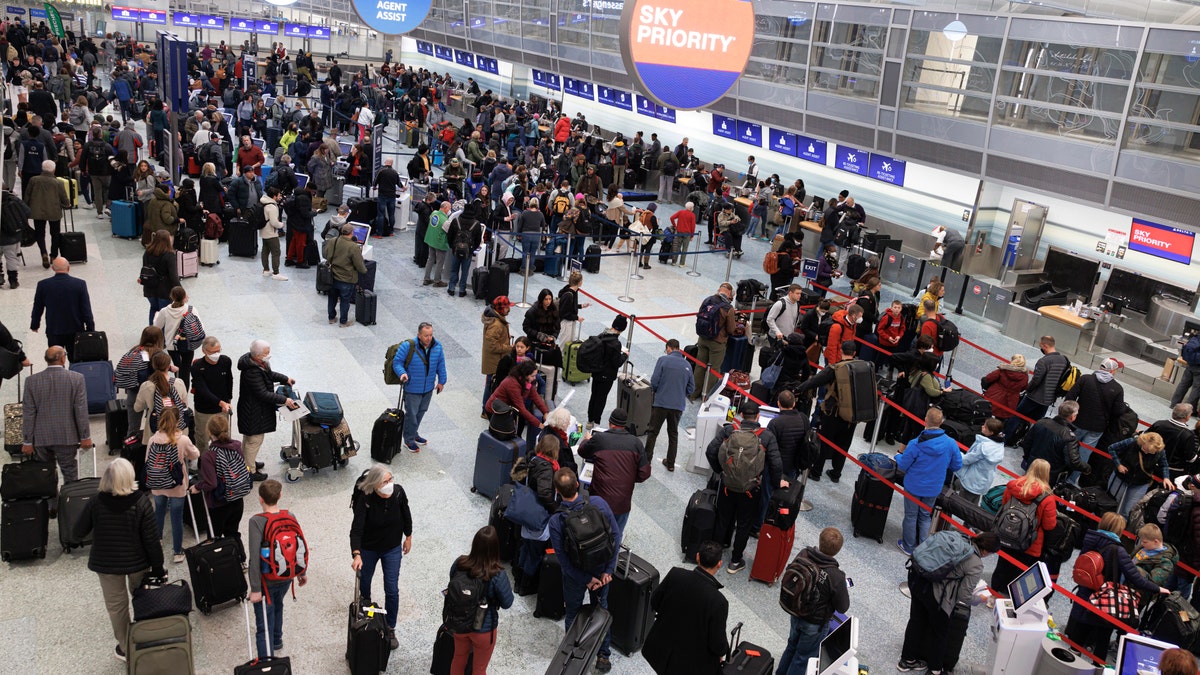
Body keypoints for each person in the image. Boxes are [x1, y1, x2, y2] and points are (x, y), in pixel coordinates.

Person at [76, 457, 165, 663]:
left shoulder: (96, 501)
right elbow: (151, 540)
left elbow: (77, 532)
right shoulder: (142, 501)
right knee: (142, 599)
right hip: (138, 562)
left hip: (106, 565)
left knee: (117, 607)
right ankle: (144, 636)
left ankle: (126, 648)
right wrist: (158, 567)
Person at [1064, 512, 1169, 662]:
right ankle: (1098, 668)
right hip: (1105, 598)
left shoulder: (1090, 539)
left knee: (1080, 631)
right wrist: (1158, 589)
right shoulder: (1118, 550)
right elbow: (1136, 578)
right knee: (1103, 638)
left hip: (1085, 591)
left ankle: (1069, 662)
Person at [548, 468, 621, 674]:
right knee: (601, 609)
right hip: (602, 572)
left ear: (557, 490)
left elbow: (563, 559)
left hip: (576, 575)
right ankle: (603, 657)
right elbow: (615, 536)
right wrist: (607, 570)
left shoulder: (557, 521)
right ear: (577, 484)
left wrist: (586, 579)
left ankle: (573, 658)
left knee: (573, 613)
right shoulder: (598, 504)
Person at [898, 532, 1000, 675]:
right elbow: (964, 595)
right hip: (936, 594)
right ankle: (935, 670)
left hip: (916, 578)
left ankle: (906, 661)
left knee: (916, 620)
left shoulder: (956, 536)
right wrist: (980, 599)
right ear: (986, 551)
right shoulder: (975, 563)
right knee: (940, 632)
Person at [706, 400, 786, 574]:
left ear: (741, 415)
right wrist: (776, 481)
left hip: (727, 486)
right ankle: (735, 561)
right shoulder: (766, 436)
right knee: (744, 525)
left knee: (723, 519)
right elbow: (776, 464)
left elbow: (711, 450)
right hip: (750, 490)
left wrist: (720, 471)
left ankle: (715, 557)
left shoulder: (730, 430)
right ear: (758, 416)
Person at [642, 540, 730, 675]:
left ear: (697, 557)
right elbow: (717, 644)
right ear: (719, 564)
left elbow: (655, 602)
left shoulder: (675, 574)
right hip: (689, 665)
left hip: (660, 649)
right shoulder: (718, 601)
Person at [350, 465, 413, 651]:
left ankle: (390, 627)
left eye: (391, 479)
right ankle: (367, 613)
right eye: (385, 482)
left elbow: (406, 515)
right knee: (366, 583)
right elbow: (356, 529)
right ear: (375, 485)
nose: (389, 484)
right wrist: (357, 554)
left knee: (392, 589)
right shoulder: (366, 499)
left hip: (392, 548)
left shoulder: (399, 493)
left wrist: (408, 537)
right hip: (369, 549)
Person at [777, 528, 852, 675]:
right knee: (802, 657)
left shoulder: (804, 554)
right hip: (815, 623)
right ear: (837, 550)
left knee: (791, 646)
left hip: (796, 611)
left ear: (820, 540)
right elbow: (843, 607)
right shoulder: (836, 576)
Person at [248, 480, 309, 658]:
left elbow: (254, 558)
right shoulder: (290, 515)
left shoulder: (256, 521)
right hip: (286, 575)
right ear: (280, 496)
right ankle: (277, 640)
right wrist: (301, 572)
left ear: (260, 499)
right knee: (278, 605)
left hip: (267, 580)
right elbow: (297, 548)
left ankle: (266, 661)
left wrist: (255, 589)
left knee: (263, 623)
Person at [791, 341, 866, 482]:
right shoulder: (861, 367)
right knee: (844, 445)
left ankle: (816, 472)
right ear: (854, 353)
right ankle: (836, 474)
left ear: (841, 351)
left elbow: (815, 381)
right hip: (852, 415)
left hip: (833, 412)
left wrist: (798, 389)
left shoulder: (835, 369)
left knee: (824, 442)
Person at [896, 408, 963, 556]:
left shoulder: (915, 443)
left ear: (926, 420)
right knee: (925, 516)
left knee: (911, 515)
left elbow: (903, 465)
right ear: (942, 422)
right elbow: (957, 465)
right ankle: (923, 548)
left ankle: (909, 546)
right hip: (934, 487)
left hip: (914, 485)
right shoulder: (951, 443)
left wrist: (898, 456)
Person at [447, 526, 514, 673]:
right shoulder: (497, 574)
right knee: (479, 667)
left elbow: (452, 581)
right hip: (483, 628)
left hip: (459, 623)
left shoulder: (460, 563)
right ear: (496, 548)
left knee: (458, 657)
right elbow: (507, 603)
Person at [21, 345, 92, 482]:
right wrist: (85, 436)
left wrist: (27, 441)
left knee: (45, 476)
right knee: (70, 473)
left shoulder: (31, 381)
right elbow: (80, 409)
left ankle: (50, 502)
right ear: (62, 359)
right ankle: (69, 500)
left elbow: (28, 413)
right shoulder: (77, 379)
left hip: (41, 438)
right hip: (67, 436)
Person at [988, 459, 1058, 593]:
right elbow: (1049, 526)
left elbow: (1003, 505)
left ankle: (995, 589)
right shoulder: (1047, 498)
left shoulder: (1013, 486)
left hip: (1006, 533)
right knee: (1020, 569)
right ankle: (1012, 596)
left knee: (1003, 564)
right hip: (1029, 542)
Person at [578, 408, 651, 534]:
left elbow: (582, 451)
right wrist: (628, 476)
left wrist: (587, 440)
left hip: (600, 501)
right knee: (616, 535)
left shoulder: (599, 439)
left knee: (596, 536)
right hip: (622, 503)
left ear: (610, 423)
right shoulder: (636, 443)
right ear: (624, 425)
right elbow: (644, 473)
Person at [144, 406, 200, 564]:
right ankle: (177, 552)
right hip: (176, 486)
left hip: (157, 484)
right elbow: (195, 454)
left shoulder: (153, 439)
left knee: (159, 512)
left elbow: (147, 460)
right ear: (178, 421)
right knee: (176, 518)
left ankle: (158, 539)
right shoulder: (182, 440)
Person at [237, 340, 299, 480]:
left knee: (249, 439)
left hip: (252, 410)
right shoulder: (252, 371)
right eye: (266, 353)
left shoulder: (256, 363)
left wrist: (285, 379)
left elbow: (268, 374)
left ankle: (247, 462)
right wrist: (285, 400)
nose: (269, 355)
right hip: (253, 412)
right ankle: (249, 471)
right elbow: (262, 393)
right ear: (258, 355)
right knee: (254, 440)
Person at [391, 322, 448, 453]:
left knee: (421, 411)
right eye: (426, 335)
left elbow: (441, 365)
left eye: (431, 335)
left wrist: (442, 382)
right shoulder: (408, 346)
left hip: (428, 388)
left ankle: (413, 432)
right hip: (412, 388)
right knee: (412, 414)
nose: (429, 338)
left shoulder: (437, 347)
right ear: (419, 335)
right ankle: (409, 439)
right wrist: (402, 373)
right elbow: (397, 362)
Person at [191, 414, 248, 542]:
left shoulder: (209, 456)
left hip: (219, 503)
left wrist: (197, 486)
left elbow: (212, 483)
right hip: (237, 498)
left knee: (214, 538)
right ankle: (239, 559)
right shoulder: (237, 446)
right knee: (233, 533)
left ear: (209, 432)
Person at [1003, 336, 1070, 444]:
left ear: (1045, 346)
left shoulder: (1043, 361)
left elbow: (1036, 380)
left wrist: (1027, 389)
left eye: (1041, 346)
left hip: (1034, 397)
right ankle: (1027, 441)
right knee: (1038, 422)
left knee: (1017, 415)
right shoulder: (1064, 360)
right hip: (1049, 399)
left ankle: (1005, 438)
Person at [30, 257, 95, 362]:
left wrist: (35, 324)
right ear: (68, 268)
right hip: (75, 330)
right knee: (76, 360)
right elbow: (86, 309)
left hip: (54, 330)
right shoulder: (79, 284)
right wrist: (90, 328)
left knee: (55, 360)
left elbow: (38, 307)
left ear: (53, 268)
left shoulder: (43, 285)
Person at [645, 340, 695, 470]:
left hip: (661, 403)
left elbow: (654, 381)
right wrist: (680, 394)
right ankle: (671, 463)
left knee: (653, 432)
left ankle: (646, 461)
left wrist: (657, 391)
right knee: (673, 434)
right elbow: (691, 388)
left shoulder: (663, 360)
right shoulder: (687, 365)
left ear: (668, 348)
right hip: (677, 406)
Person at [1066, 357, 1126, 465]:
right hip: (1097, 427)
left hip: (1077, 421)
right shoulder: (1117, 388)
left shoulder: (1085, 379)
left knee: (1068, 447)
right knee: (1084, 454)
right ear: (1112, 371)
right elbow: (1118, 411)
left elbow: (1070, 397)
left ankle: (1059, 471)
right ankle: (1071, 479)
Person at [691, 283, 741, 399]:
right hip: (717, 343)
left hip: (702, 338)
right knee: (714, 369)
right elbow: (731, 329)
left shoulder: (707, 300)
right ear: (729, 293)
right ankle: (707, 395)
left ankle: (694, 392)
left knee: (700, 365)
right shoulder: (728, 308)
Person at [1021, 400, 1089, 485]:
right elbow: (1073, 461)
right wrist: (1087, 468)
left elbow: (1026, 443)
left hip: (1032, 466)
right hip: (1050, 474)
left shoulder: (1041, 422)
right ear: (1073, 417)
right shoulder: (1069, 437)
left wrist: (1030, 459)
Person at [486, 360, 549, 445]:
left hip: (507, 409)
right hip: (495, 410)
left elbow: (535, 397)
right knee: (502, 436)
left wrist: (545, 412)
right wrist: (539, 424)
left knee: (514, 433)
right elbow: (521, 409)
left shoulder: (526, 380)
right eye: (533, 376)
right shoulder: (512, 384)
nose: (535, 378)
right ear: (526, 375)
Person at [1109, 432, 1172, 516]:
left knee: (1129, 512)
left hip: (1141, 483)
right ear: (1142, 442)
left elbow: (1164, 465)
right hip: (1121, 478)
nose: (1146, 453)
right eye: (1145, 449)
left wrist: (1166, 477)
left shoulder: (1160, 452)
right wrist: (1118, 465)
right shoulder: (1132, 442)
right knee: (1111, 504)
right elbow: (1111, 448)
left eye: (1150, 452)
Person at [152, 286, 200, 390]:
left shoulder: (164, 311)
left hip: (172, 345)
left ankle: (176, 389)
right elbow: (200, 326)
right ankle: (184, 393)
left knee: (177, 367)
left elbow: (157, 327)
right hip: (188, 344)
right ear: (185, 296)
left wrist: (156, 318)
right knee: (186, 369)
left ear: (171, 297)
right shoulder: (191, 309)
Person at [190, 336, 233, 453]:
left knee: (223, 436)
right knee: (203, 437)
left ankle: (221, 458)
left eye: (219, 351)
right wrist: (221, 402)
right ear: (204, 351)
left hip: (222, 408)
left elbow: (229, 380)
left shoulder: (226, 361)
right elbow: (202, 389)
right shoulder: (197, 367)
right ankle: (203, 460)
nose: (216, 354)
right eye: (213, 352)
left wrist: (229, 399)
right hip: (204, 409)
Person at [585, 316, 629, 429]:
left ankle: (590, 420)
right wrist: (625, 355)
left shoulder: (602, 335)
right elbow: (616, 363)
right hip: (607, 375)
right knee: (601, 398)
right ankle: (597, 422)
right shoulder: (616, 343)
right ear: (622, 329)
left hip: (596, 371)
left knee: (594, 395)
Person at [322, 222, 369, 327]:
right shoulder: (353, 247)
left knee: (332, 298)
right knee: (345, 300)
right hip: (347, 279)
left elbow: (327, 255)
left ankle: (331, 318)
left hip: (332, 276)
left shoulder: (333, 241)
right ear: (352, 233)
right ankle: (343, 321)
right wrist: (364, 271)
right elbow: (359, 264)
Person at [26, 159, 70, 262]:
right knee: (55, 233)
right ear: (54, 169)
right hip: (54, 211)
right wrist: (67, 205)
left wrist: (26, 208)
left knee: (40, 233)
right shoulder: (58, 182)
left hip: (37, 211)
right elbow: (64, 198)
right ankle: (53, 255)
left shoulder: (33, 180)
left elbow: (27, 195)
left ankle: (43, 252)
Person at [954, 418, 1005, 503]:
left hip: (972, 480)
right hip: (983, 481)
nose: (982, 426)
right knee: (974, 502)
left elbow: (966, 460)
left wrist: (956, 452)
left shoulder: (983, 447)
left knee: (962, 504)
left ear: (991, 432)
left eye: (985, 427)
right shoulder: (999, 445)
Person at [766, 390, 810, 481]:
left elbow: (770, 447)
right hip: (795, 463)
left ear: (778, 403)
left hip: (777, 465)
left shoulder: (775, 423)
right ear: (794, 403)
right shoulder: (804, 418)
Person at [1149, 404, 1200, 480]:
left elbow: (1143, 439)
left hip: (1150, 464)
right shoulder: (1188, 435)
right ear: (1187, 417)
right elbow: (1190, 458)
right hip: (1173, 471)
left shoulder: (1159, 424)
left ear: (1173, 413)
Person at [1132, 523, 1180, 605]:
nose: (1142, 544)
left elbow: (1153, 582)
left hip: (1139, 596)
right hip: (1128, 585)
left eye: (1145, 542)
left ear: (1156, 541)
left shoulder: (1165, 562)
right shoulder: (1144, 547)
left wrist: (1132, 567)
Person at [481, 296, 513, 405]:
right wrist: (508, 347)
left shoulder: (496, 319)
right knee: (491, 384)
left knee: (491, 383)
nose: (509, 309)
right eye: (507, 307)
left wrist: (506, 337)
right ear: (501, 309)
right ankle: (486, 409)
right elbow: (492, 345)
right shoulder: (496, 324)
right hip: (494, 361)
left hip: (494, 360)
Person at [981, 355, 1029, 423]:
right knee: (1000, 421)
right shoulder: (1025, 376)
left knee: (984, 417)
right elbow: (1023, 388)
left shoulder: (1003, 370)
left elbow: (988, 378)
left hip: (995, 396)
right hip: (1010, 402)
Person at [257, 186, 287, 281]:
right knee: (276, 252)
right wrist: (281, 225)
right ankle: (276, 272)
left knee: (265, 250)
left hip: (263, 230)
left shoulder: (263, 201)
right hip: (271, 232)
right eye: (278, 196)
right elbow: (274, 222)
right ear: (274, 196)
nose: (280, 197)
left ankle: (266, 270)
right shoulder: (272, 207)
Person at [556, 272, 589, 348]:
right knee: (564, 345)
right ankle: (560, 359)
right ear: (580, 282)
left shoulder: (573, 291)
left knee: (570, 343)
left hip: (570, 321)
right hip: (566, 322)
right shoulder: (569, 295)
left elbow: (569, 306)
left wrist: (581, 306)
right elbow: (565, 313)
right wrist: (577, 318)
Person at [1172, 330, 1200, 412]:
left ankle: (1174, 404)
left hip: (1190, 364)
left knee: (1183, 384)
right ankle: (1187, 410)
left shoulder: (1197, 336)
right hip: (1198, 367)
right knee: (1196, 389)